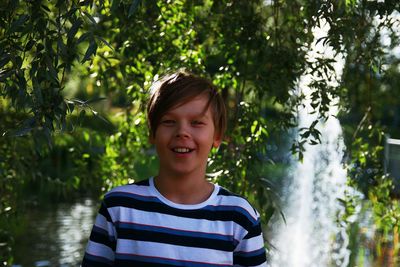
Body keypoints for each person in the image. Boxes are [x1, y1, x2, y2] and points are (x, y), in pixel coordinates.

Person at [82, 71, 268, 267]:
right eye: (169, 122)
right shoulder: (119, 207)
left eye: (197, 123)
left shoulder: (239, 217)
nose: (182, 132)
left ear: (217, 136)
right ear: (152, 133)